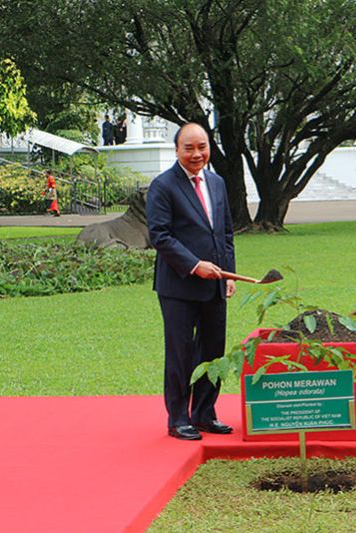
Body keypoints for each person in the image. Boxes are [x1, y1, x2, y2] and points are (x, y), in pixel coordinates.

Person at [146, 122, 236, 441]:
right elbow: (159, 235)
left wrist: (227, 274)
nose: (197, 154)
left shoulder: (217, 182)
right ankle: (179, 418)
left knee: (213, 352)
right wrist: (194, 265)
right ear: (177, 150)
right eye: (189, 148)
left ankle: (204, 413)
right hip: (178, 287)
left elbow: (224, 234)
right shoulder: (163, 185)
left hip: (215, 285)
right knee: (181, 353)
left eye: (202, 147)